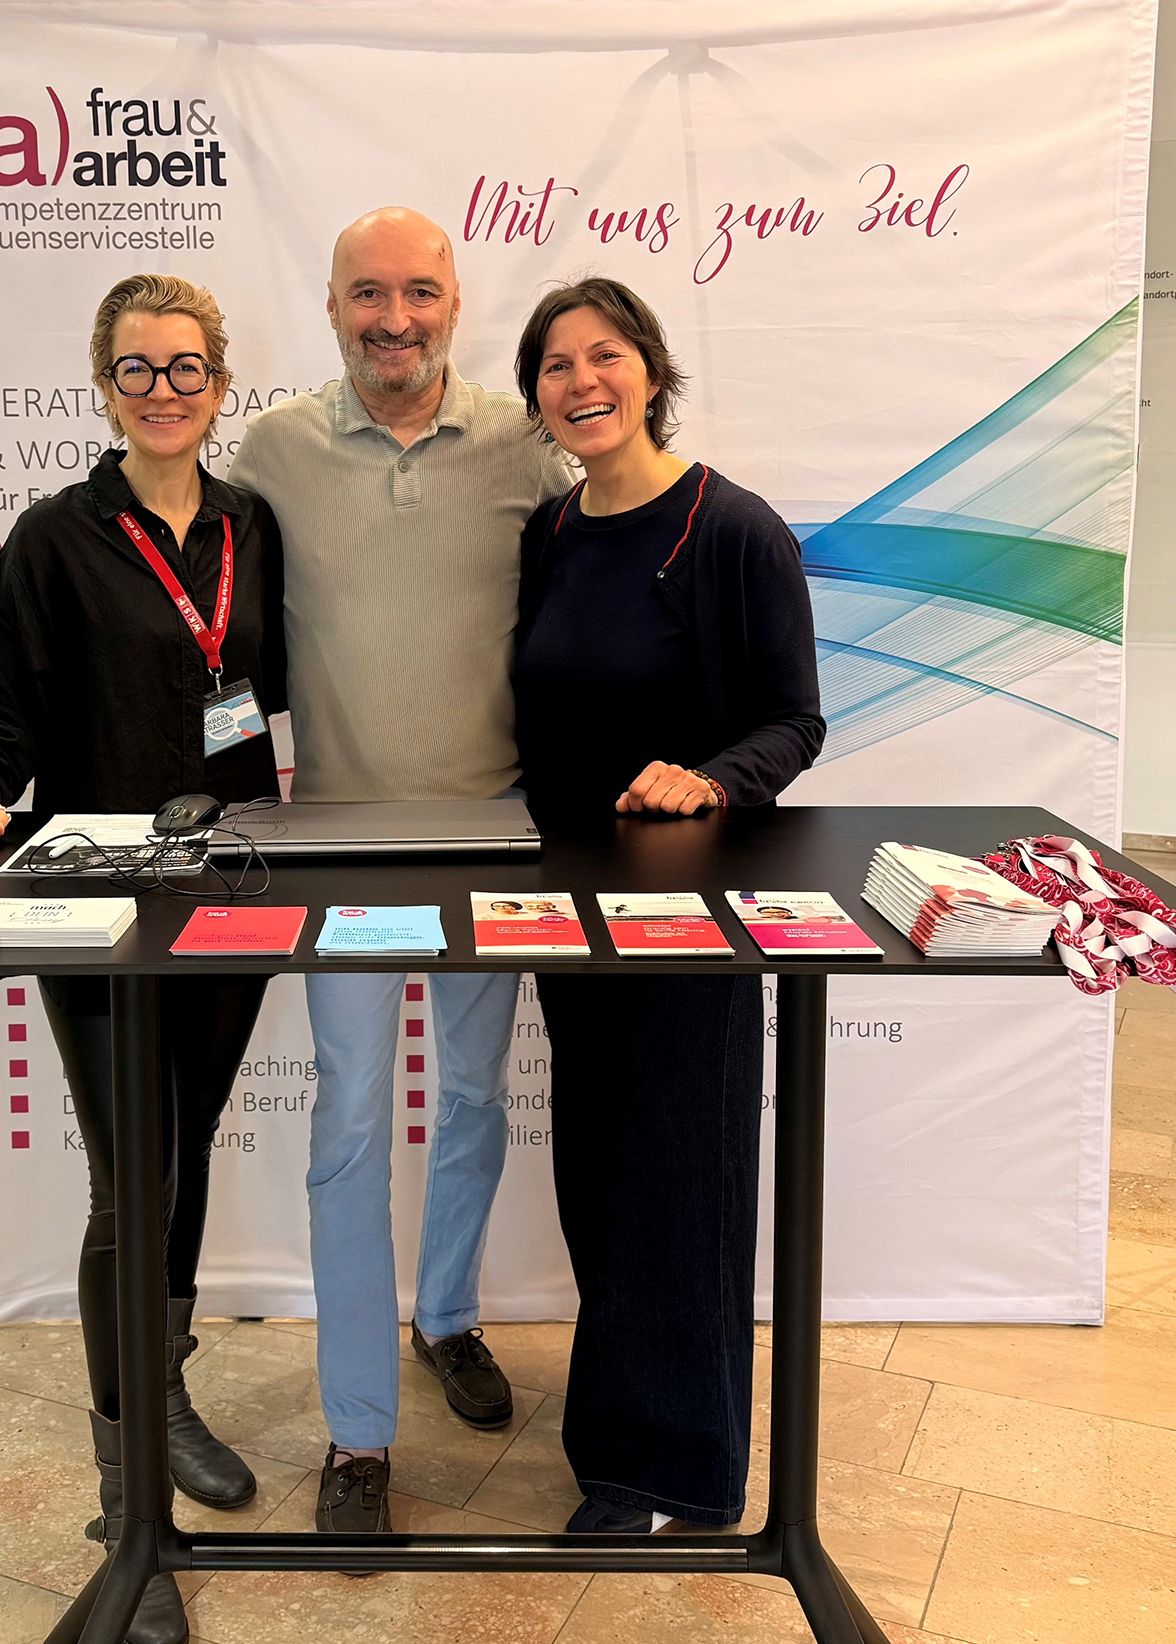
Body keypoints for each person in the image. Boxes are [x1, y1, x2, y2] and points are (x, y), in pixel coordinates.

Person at [0, 273, 286, 1644]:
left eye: (185, 367)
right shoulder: (55, 539)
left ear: (218, 381)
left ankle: (169, 1389)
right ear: (102, 385)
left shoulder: (254, 527)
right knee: (130, 1183)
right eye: (136, 371)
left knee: (182, 1151)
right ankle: (124, 1512)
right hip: (102, 913)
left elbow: (278, 693)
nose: (163, 391)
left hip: (233, 898)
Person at [226, 208, 573, 1543]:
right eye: (368, 294)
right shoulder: (274, 451)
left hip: (494, 837)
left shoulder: (523, 448)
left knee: (477, 1098)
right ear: (329, 307)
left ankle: (449, 1317)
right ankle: (358, 1434)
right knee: (354, 1129)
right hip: (345, 851)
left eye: (419, 292)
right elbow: (221, 624)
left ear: (455, 303)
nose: (395, 318)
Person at [507, 276, 824, 1532]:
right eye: (553, 367)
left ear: (649, 369)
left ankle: (668, 1471)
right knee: (596, 1171)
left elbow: (792, 719)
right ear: (534, 396)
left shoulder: (729, 527)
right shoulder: (549, 533)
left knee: (676, 1177)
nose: (581, 383)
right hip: (561, 908)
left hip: (692, 913)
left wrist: (709, 777)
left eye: (604, 357)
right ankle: (613, 1437)